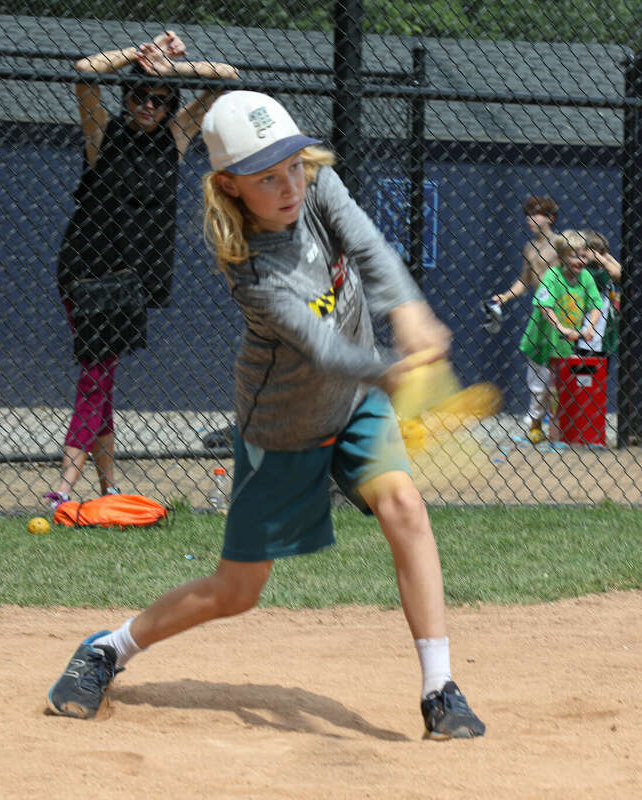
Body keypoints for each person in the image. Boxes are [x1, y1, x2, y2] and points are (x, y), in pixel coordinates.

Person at [46, 90, 486, 741]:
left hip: (356, 404)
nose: (288, 185)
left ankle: (439, 690)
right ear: (231, 186)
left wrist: (408, 309)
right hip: (285, 427)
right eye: (267, 177)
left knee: (405, 509)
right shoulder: (251, 267)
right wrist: (390, 369)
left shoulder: (319, 186)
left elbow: (368, 248)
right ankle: (108, 649)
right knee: (237, 591)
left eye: (293, 166)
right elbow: (322, 345)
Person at [45, 32, 237, 509]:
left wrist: (172, 67)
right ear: (127, 98)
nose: (148, 105)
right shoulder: (103, 133)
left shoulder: (175, 139)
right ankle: (63, 490)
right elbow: (87, 71)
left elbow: (228, 79)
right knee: (96, 374)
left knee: (103, 377)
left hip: (131, 280)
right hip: (87, 273)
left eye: (159, 99)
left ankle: (108, 487)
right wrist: (138, 54)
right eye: (140, 96)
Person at [517, 229, 603, 443]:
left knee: (560, 387)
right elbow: (545, 306)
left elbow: (595, 305)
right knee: (540, 387)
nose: (580, 261)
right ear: (563, 256)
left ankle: (559, 428)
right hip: (542, 340)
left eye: (584, 256)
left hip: (564, 343)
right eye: (574, 255)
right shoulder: (553, 276)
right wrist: (560, 327)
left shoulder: (586, 278)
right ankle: (535, 423)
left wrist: (590, 327)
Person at [490, 194, 559, 307]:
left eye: (535, 214)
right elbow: (525, 280)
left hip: (561, 304)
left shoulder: (560, 243)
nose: (529, 218)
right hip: (542, 305)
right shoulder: (529, 247)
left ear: (550, 218)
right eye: (528, 215)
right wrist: (506, 296)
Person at [573, 230, 622, 357]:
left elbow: (621, 274)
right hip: (588, 329)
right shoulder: (588, 272)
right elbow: (615, 272)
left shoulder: (604, 269)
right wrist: (602, 259)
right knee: (584, 372)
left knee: (601, 371)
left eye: (602, 252)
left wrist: (607, 257)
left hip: (604, 330)